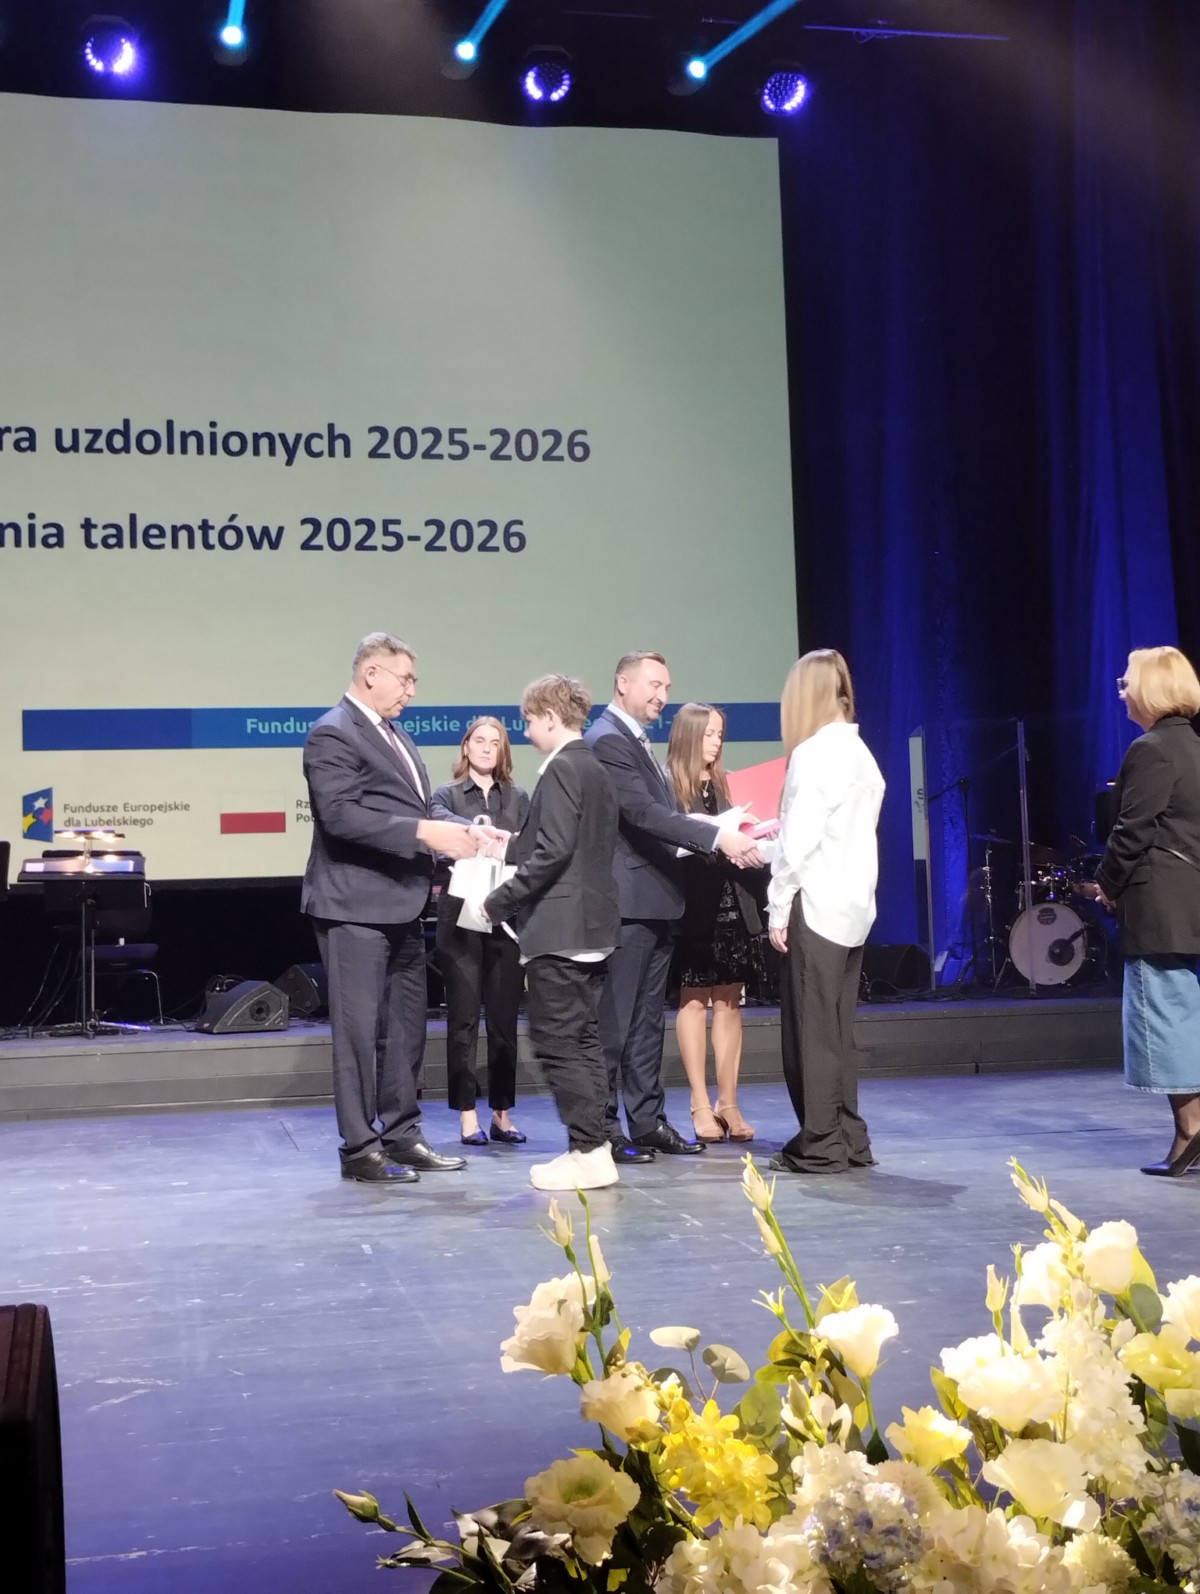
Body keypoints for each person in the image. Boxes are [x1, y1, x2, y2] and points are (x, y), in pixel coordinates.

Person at [302, 631, 483, 1183]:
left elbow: (420, 808)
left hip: (403, 904)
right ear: (371, 674)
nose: (411, 690)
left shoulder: (397, 734)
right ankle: (360, 1148)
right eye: (405, 679)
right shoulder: (333, 732)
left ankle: (402, 1134)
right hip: (354, 906)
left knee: (405, 1029)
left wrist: (467, 830)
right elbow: (340, 816)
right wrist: (426, 833)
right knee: (359, 1034)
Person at [585, 652, 763, 1163]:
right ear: (623, 684)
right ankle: (603, 1128)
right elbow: (643, 814)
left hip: (658, 900)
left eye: (666, 686)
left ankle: (647, 1121)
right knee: (616, 1024)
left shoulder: (634, 740)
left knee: (646, 1024)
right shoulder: (607, 740)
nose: (662, 696)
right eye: (654, 685)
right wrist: (717, 836)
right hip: (628, 903)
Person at [482, 675, 621, 1192]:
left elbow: (554, 851)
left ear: (548, 716)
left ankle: (587, 1150)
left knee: (559, 1042)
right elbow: (565, 841)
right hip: (591, 925)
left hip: (561, 929)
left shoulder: (562, 767)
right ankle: (595, 1147)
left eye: (528, 720)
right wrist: (504, 845)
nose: (525, 731)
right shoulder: (593, 766)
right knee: (581, 1040)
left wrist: (499, 900)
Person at [767, 649, 885, 1175]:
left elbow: (798, 845)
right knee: (837, 1030)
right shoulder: (861, 753)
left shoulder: (813, 755)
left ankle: (820, 1143)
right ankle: (849, 1136)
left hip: (815, 905)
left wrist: (777, 905)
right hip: (854, 905)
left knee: (811, 1031)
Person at [1087, 647, 1200, 1177]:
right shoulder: (1192, 746)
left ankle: (1191, 1129)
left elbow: (1132, 831)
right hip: (1188, 903)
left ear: (1150, 690)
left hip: (1162, 909)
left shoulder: (1151, 749)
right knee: (1186, 1013)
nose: (1122, 692)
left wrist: (1107, 885)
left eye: (1126, 683)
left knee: (1166, 1016)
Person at [667, 703, 764, 1143]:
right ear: (689, 736)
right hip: (692, 903)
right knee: (693, 1000)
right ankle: (700, 1103)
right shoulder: (668, 785)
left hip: (732, 899)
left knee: (729, 1001)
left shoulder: (726, 783)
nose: (715, 742)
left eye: (720, 734)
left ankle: (729, 1102)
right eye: (708, 734)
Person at [430, 718, 530, 1146]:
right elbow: (437, 823)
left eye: (495, 742)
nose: (487, 748)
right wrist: (474, 832)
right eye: (479, 741)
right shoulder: (446, 795)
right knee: (464, 1018)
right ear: (466, 747)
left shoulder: (519, 797)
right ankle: (467, 1115)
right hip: (459, 918)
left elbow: (532, 846)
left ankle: (502, 1114)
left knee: (504, 1020)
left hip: (506, 918)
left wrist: (505, 844)